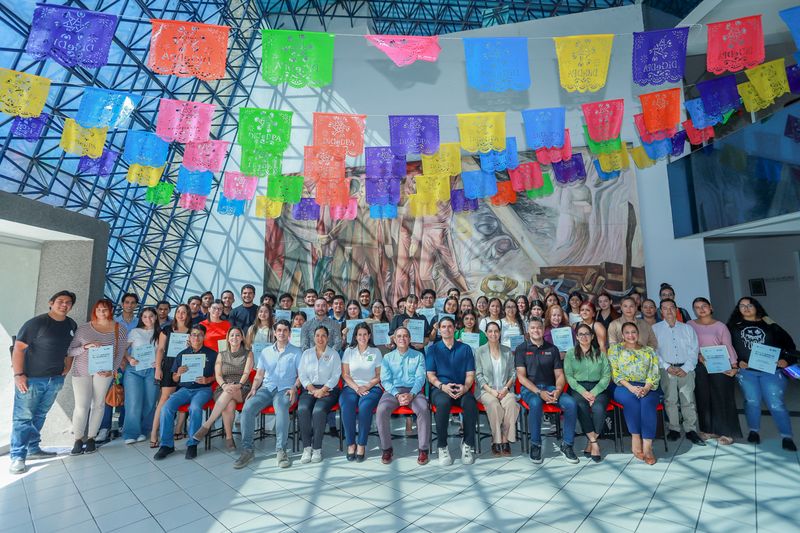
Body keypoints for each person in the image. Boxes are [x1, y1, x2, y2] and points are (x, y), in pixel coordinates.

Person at [9, 290, 77, 474]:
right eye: (60, 301)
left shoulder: (71, 324)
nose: (64, 304)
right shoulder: (36, 323)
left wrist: (67, 367)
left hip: (54, 379)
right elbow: (18, 349)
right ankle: (17, 456)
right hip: (31, 379)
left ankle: (33, 449)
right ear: (51, 302)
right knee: (23, 418)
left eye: (68, 302)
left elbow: (71, 349)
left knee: (39, 416)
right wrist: (19, 374)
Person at [727, 297, 796, 451]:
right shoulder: (732, 327)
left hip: (772, 372)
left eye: (749, 305)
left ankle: (786, 436)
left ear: (756, 307)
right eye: (742, 305)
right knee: (752, 402)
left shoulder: (770, 324)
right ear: (738, 309)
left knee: (776, 404)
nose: (746, 308)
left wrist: (786, 360)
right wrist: (737, 362)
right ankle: (754, 431)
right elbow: (726, 347)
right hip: (747, 373)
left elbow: (789, 344)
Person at [234, 319, 301, 469]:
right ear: (274, 333)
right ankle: (247, 450)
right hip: (266, 388)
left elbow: (301, 375)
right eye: (279, 330)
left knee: (282, 408)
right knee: (248, 407)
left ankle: (281, 450)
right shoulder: (266, 351)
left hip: (285, 389)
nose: (282, 333)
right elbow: (259, 374)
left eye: (285, 330)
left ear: (289, 333)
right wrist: (253, 389)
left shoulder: (296, 352)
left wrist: (295, 388)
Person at [515, 317, 579, 464]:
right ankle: (536, 444)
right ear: (528, 330)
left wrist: (557, 390)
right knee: (536, 403)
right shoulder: (521, 349)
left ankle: (567, 445)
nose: (536, 330)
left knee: (570, 404)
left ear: (543, 330)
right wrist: (539, 392)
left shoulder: (552, 349)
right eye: (533, 328)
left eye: (539, 327)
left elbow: (559, 374)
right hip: (529, 389)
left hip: (551, 388)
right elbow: (521, 378)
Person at [68, 299, 127, 456]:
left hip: (104, 372)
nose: (102, 312)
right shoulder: (84, 329)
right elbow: (70, 350)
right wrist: (86, 347)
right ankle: (78, 439)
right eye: (99, 309)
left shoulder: (119, 329)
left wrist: (112, 369)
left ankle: (92, 438)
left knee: (99, 405)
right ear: (95, 311)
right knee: (81, 406)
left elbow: (120, 352)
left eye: (105, 309)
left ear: (111, 311)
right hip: (81, 371)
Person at [154, 324, 217, 460]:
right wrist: (178, 373)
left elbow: (217, 375)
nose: (196, 337)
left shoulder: (212, 354)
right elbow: (174, 378)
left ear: (204, 336)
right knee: (166, 408)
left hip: (203, 390)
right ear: (189, 337)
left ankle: (192, 444)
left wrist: (207, 380)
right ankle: (167, 445)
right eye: (193, 334)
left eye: (199, 334)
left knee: (195, 408)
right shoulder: (182, 354)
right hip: (184, 389)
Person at [688, 297, 741, 445]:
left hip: (720, 365)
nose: (701, 309)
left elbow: (728, 346)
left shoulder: (721, 326)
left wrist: (734, 366)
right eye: (697, 307)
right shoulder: (689, 325)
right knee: (703, 398)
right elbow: (688, 346)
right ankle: (708, 430)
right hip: (700, 366)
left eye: (704, 306)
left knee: (722, 398)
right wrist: (698, 356)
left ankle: (727, 432)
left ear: (710, 307)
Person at [426, 317, 478, 466]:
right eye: (444, 327)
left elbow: (470, 374)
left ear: (454, 329)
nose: (447, 329)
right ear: (440, 329)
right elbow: (430, 375)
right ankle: (442, 446)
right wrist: (442, 386)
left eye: (450, 326)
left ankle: (467, 444)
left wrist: (466, 388)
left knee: (470, 403)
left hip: (461, 387)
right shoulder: (433, 349)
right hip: (441, 388)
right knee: (443, 403)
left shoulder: (465, 348)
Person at [652, 299, 704, 446]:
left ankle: (690, 430)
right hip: (666, 369)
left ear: (676, 310)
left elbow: (694, 350)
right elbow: (654, 352)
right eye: (665, 308)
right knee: (670, 400)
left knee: (688, 400)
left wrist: (686, 368)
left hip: (686, 369)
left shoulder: (687, 329)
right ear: (661, 311)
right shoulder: (655, 329)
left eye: (671, 308)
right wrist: (666, 366)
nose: (669, 311)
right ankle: (674, 428)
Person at [608, 322, 661, 465]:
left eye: (633, 332)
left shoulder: (649, 350)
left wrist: (647, 387)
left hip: (647, 386)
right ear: (622, 335)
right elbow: (615, 373)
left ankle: (648, 447)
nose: (631, 335)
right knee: (632, 400)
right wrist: (631, 388)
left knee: (647, 401)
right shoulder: (615, 350)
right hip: (623, 386)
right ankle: (636, 438)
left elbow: (654, 372)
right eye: (627, 332)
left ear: (638, 334)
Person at [376, 326, 430, 465]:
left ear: (410, 339)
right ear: (394, 339)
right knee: (381, 410)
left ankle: (423, 449)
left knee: (423, 409)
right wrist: (396, 394)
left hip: (414, 390)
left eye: (405, 336)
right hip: (392, 390)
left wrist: (412, 394)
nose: (402, 338)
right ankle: (387, 448)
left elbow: (420, 379)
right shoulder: (387, 357)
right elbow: (385, 380)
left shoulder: (418, 356)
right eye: (399, 336)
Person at [193, 327, 254, 449]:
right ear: (228, 338)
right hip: (223, 387)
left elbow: (246, 373)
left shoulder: (249, 353)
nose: (234, 338)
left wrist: (239, 385)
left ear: (242, 338)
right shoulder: (221, 354)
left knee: (229, 393)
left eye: (237, 335)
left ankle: (207, 425)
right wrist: (224, 385)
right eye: (232, 335)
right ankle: (229, 438)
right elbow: (218, 375)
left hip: (242, 387)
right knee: (229, 404)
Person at [564, 323, 611, 462]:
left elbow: (606, 376)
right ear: (577, 337)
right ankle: (594, 443)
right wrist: (584, 392)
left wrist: (594, 392)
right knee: (581, 406)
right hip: (578, 388)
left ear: (592, 336)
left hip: (599, 387)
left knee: (599, 408)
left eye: (587, 334)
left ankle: (590, 442)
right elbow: (569, 376)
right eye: (581, 334)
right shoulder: (570, 354)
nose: (584, 337)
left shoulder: (600, 354)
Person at [297, 326, 342, 463]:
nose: (320, 338)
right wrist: (311, 388)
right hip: (309, 389)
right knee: (303, 409)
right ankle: (307, 448)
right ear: (313, 337)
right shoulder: (307, 354)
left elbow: (335, 376)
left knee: (318, 411)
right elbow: (302, 374)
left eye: (323, 335)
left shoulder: (334, 354)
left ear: (328, 338)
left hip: (328, 390)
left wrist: (322, 390)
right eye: (317, 335)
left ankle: (317, 448)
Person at [340, 323, 382, 461]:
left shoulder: (375, 352)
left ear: (369, 336)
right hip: (351, 387)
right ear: (355, 336)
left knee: (365, 407)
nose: (362, 337)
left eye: (365, 334)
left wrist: (367, 387)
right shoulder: (349, 351)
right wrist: (357, 388)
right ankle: (351, 444)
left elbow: (378, 375)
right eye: (359, 334)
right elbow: (345, 374)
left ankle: (362, 444)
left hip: (372, 387)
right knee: (347, 406)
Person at [475, 322, 519, 456]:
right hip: (486, 390)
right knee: (494, 404)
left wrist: (506, 388)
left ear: (500, 333)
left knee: (512, 403)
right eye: (490, 331)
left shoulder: (507, 351)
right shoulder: (480, 351)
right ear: (486, 333)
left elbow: (513, 373)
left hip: (505, 390)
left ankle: (504, 437)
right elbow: (478, 375)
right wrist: (491, 391)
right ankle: (496, 440)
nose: (493, 334)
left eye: (496, 331)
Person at [151, 304, 191, 447]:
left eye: (184, 312)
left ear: (188, 315)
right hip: (168, 367)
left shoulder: (192, 331)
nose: (181, 315)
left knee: (183, 398)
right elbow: (160, 349)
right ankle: (154, 433)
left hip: (185, 367)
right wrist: (157, 368)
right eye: (178, 312)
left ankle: (178, 429)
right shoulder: (167, 330)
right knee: (164, 399)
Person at [122, 307, 160, 444]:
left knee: (150, 402)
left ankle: (144, 430)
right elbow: (124, 349)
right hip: (134, 370)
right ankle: (130, 433)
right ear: (141, 318)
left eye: (151, 316)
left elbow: (163, 351)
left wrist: (159, 362)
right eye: (145, 316)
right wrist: (129, 358)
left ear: (155, 317)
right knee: (133, 402)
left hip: (152, 371)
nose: (148, 319)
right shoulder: (135, 332)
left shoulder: (160, 333)